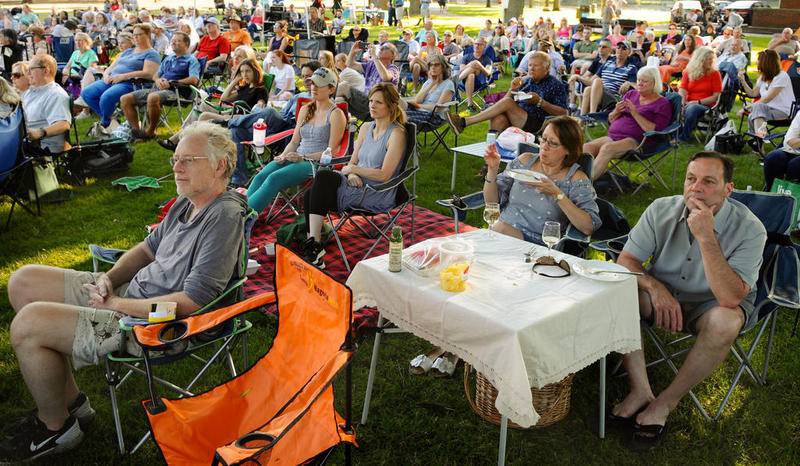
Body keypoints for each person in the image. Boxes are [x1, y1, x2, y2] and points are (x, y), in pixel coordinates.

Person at [0, 121, 247, 463]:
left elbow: (193, 302)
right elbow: (146, 250)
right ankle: (73, 405)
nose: (175, 167)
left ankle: (54, 427)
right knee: (23, 282)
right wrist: (110, 280)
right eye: (175, 159)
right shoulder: (187, 202)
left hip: (154, 328)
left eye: (187, 160)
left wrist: (119, 304)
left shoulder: (223, 217)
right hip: (128, 297)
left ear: (220, 166)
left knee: (29, 324)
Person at [611, 151, 766, 451]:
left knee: (725, 321)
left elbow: (730, 297)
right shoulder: (661, 209)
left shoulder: (751, 229)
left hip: (714, 303)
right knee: (619, 290)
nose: (696, 188)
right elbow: (627, 260)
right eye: (691, 179)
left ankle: (664, 405)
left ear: (728, 189)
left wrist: (706, 236)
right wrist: (654, 287)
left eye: (709, 182)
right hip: (664, 294)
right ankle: (640, 390)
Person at [301, 82, 407, 268]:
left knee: (324, 178)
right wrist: (350, 174)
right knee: (310, 193)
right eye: (371, 101)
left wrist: (353, 170)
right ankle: (314, 246)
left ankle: (314, 247)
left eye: (378, 103)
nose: (372, 106)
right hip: (354, 183)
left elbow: (384, 175)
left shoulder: (396, 134)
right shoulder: (366, 127)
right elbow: (352, 162)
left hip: (374, 191)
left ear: (390, 106)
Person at [483, 115, 600, 244]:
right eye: (543, 139)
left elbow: (588, 226)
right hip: (503, 231)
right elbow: (491, 203)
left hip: (538, 243)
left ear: (568, 149)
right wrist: (492, 170)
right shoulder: (525, 161)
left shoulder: (575, 178)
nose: (544, 146)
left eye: (553, 143)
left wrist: (557, 194)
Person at [247, 67, 346, 214]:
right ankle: (239, 211)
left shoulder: (336, 114)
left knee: (274, 178)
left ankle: (244, 218)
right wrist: (283, 155)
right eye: (312, 84)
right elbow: (294, 142)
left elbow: (331, 152)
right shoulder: (306, 109)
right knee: (261, 175)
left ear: (331, 89)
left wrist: (303, 157)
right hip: (296, 156)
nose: (314, 88)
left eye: (319, 85)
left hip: (316, 163)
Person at [222, 61, 323, 187]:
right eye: (302, 76)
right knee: (236, 131)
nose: (305, 80)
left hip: (290, 132)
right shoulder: (297, 96)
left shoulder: (322, 99)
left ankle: (226, 121)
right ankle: (239, 178)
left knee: (268, 112)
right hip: (279, 127)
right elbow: (284, 114)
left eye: (308, 76)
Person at [447, 51, 567, 136]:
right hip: (519, 118)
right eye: (530, 65)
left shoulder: (556, 85)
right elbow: (507, 100)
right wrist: (513, 89)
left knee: (508, 103)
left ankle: (465, 122)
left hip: (538, 124)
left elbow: (563, 112)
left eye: (535, 66)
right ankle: (490, 162)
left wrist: (541, 102)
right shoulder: (527, 80)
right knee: (498, 118)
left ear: (547, 68)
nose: (531, 69)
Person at [584, 66, 673, 180]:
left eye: (644, 81)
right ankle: (569, 178)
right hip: (614, 137)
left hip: (637, 142)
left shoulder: (662, 104)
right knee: (586, 148)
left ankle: (583, 186)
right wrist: (616, 111)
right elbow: (611, 120)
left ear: (654, 83)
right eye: (638, 80)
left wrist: (635, 113)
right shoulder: (631, 94)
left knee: (607, 149)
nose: (640, 84)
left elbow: (655, 131)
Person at [81, 23, 160, 138]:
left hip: (131, 83)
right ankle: (110, 118)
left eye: (139, 35)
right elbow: (110, 67)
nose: (136, 38)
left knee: (106, 98)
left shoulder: (151, 53)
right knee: (87, 93)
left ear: (147, 35)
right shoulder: (128, 51)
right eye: (134, 35)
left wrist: (123, 76)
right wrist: (106, 75)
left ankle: (105, 123)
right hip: (112, 79)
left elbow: (149, 73)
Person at [119, 31, 201, 140]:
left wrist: (171, 82)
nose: (174, 43)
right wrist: (157, 80)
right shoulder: (168, 58)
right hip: (157, 88)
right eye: (173, 41)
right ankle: (136, 132)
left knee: (153, 97)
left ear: (186, 44)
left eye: (178, 41)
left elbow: (194, 79)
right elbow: (155, 75)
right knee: (125, 98)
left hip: (177, 91)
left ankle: (150, 131)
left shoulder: (191, 60)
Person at [20, 55, 71, 155]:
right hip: (24, 140)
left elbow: (64, 124)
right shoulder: (30, 92)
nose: (27, 73)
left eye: (31, 69)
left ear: (46, 71)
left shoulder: (55, 94)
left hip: (42, 146)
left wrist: (40, 132)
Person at [739, 49, 796, 137]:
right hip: (765, 109)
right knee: (757, 109)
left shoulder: (782, 76)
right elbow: (753, 94)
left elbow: (767, 99)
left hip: (782, 112)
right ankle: (759, 139)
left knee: (756, 108)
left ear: (766, 63)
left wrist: (747, 108)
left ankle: (756, 138)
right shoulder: (763, 77)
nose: (757, 62)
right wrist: (743, 80)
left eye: (759, 60)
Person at [344, 41, 399, 121]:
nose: (382, 50)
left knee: (343, 87)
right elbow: (349, 64)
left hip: (379, 104)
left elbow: (385, 77)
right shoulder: (372, 65)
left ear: (393, 55)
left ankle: (344, 123)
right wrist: (352, 51)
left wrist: (375, 57)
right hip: (366, 101)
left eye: (386, 48)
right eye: (381, 49)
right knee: (341, 95)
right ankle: (344, 123)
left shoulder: (393, 68)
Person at [579, 41, 638, 116]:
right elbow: (591, 82)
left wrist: (629, 83)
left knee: (597, 81)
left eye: (624, 48)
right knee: (588, 89)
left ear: (628, 52)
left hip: (614, 97)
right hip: (598, 93)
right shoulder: (608, 63)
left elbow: (635, 85)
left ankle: (592, 114)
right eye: (618, 47)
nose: (620, 50)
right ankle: (583, 119)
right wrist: (578, 77)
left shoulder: (631, 68)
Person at [678, 46, 721, 142]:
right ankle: (669, 134)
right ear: (700, 60)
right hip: (688, 103)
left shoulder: (715, 74)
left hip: (706, 106)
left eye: (712, 59)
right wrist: (682, 102)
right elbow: (682, 89)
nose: (711, 61)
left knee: (693, 108)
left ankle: (684, 137)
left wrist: (697, 102)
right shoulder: (688, 71)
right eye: (708, 59)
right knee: (672, 102)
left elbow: (715, 97)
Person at [402, 53, 454, 127]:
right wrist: (432, 84)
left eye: (436, 65)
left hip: (434, 117)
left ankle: (408, 138)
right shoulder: (428, 82)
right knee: (395, 112)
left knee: (401, 117)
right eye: (431, 65)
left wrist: (418, 106)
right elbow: (417, 100)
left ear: (443, 67)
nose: (433, 67)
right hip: (419, 112)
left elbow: (438, 109)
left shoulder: (448, 84)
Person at [763, 112, 800, 190]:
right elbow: (789, 140)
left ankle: (793, 196)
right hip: (794, 150)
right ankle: (771, 193)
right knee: (773, 158)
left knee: (795, 165)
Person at [458, 36, 493, 110]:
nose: (477, 45)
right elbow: (461, 70)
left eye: (480, 44)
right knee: (471, 75)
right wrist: (470, 64)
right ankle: (470, 104)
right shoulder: (466, 57)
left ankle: (455, 80)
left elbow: (488, 73)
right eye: (476, 43)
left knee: (475, 66)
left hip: (480, 83)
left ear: (484, 46)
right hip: (465, 82)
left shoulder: (487, 59)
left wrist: (479, 66)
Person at [60, 32, 99, 99]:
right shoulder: (75, 53)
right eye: (76, 40)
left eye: (80, 40)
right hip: (70, 76)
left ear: (87, 42)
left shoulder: (91, 54)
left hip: (82, 78)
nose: (77, 42)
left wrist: (76, 75)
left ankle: (75, 100)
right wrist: (65, 73)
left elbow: (91, 70)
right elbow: (67, 66)